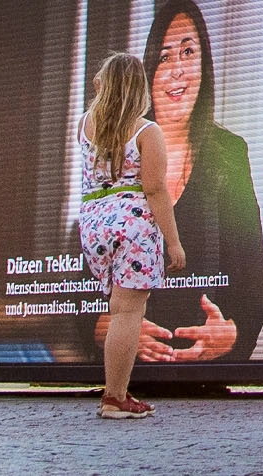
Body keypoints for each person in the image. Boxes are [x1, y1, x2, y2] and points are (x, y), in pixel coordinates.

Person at [93, 0, 263, 364]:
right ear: (148, 74)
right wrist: (104, 328)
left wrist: (232, 334)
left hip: (206, 384)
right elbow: (88, 265)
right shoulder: (119, 149)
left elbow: (255, 280)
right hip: (129, 373)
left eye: (188, 53)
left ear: (205, 67)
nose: (176, 70)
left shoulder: (230, 152)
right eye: (164, 57)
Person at [76, 52, 186, 419]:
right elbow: (155, 190)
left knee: (115, 309)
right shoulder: (146, 131)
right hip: (133, 226)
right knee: (128, 314)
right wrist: (173, 241)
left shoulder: (85, 124)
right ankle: (115, 397)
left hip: (93, 224)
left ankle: (115, 393)